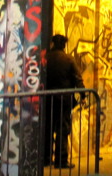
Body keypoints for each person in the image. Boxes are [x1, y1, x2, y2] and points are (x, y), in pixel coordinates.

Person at [44, 33, 84, 169]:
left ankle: (46, 158)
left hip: (48, 99)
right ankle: (61, 161)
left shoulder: (46, 59)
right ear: (64, 45)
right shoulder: (69, 59)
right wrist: (83, 96)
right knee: (62, 129)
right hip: (64, 100)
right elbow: (78, 79)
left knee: (48, 127)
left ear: (53, 44)